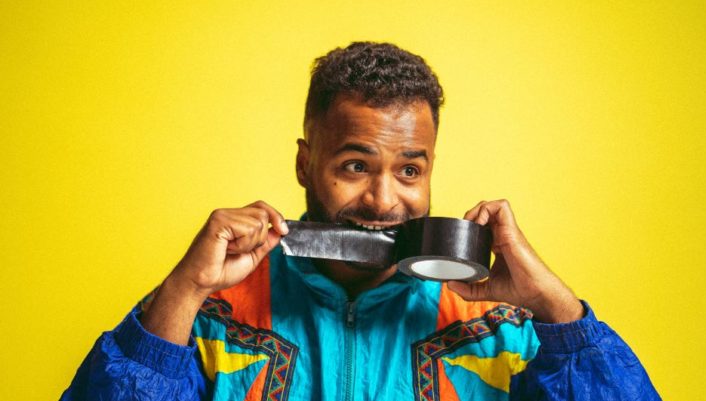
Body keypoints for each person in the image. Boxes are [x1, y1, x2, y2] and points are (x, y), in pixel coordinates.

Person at [61, 42, 660, 401]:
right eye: (355, 166)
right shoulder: (205, 314)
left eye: (409, 171)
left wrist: (555, 307)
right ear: (305, 164)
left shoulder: (502, 326)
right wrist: (183, 289)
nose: (382, 201)